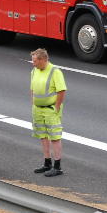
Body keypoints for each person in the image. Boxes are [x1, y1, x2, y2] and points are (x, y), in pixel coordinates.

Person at [30, 48, 66, 177]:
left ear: (43, 60)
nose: (32, 63)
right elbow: (32, 89)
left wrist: (56, 107)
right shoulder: (34, 71)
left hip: (50, 109)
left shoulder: (55, 72)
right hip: (38, 110)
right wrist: (33, 104)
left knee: (55, 137)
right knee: (42, 136)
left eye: (34, 61)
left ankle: (57, 166)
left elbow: (61, 91)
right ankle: (47, 163)